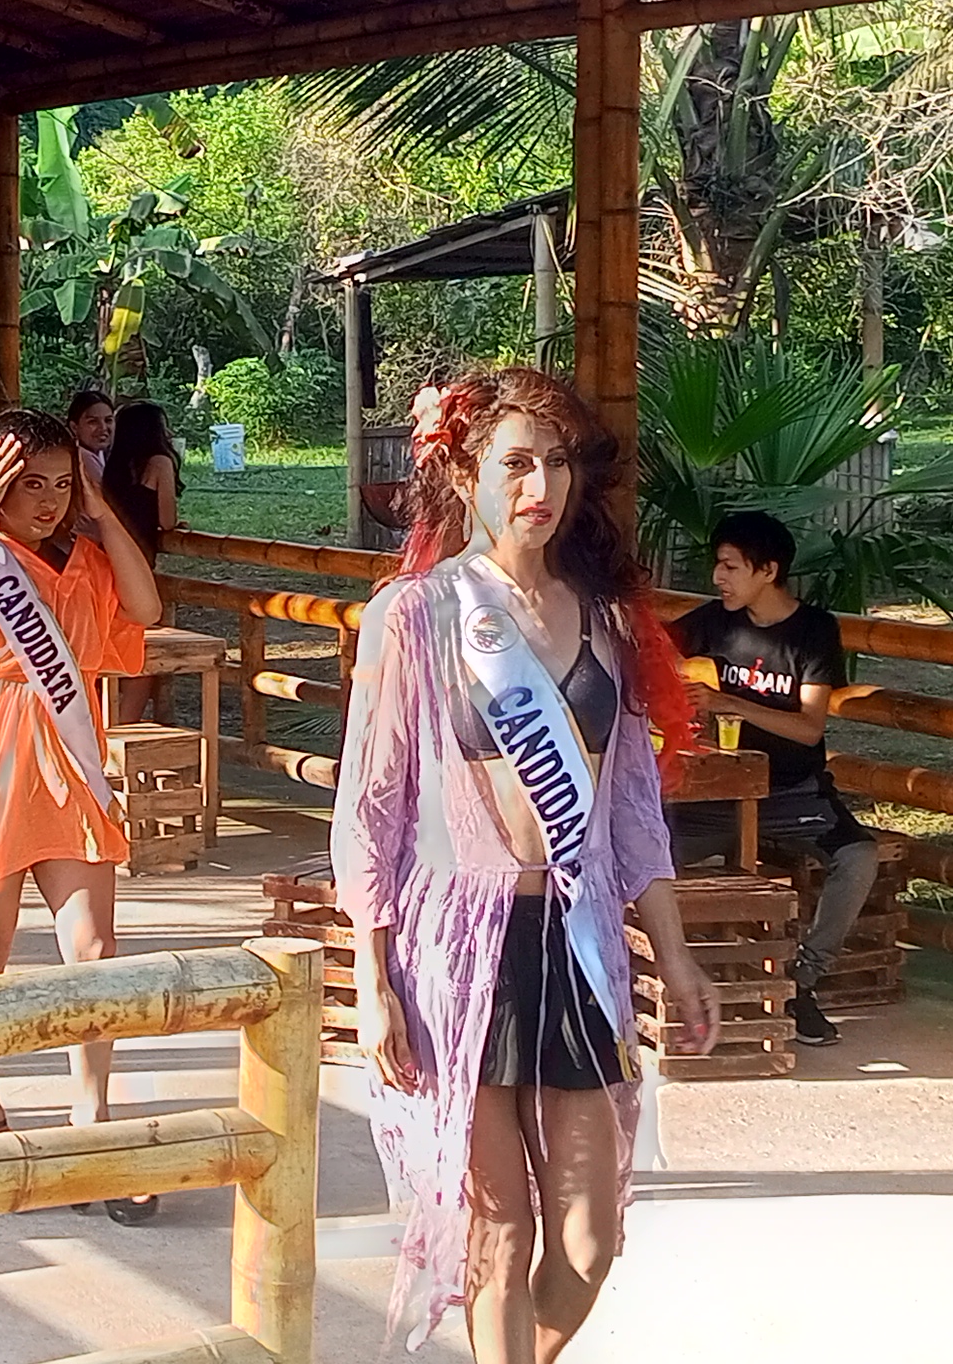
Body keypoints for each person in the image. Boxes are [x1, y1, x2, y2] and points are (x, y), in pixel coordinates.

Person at [336, 366, 717, 1363]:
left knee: (589, 1240)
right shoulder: (416, 616)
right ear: (464, 475)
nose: (540, 486)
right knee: (498, 1232)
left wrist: (675, 956)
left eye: (557, 462)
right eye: (515, 463)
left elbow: (631, 808)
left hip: (578, 940)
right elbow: (369, 806)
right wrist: (372, 981)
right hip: (459, 951)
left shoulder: (608, 620)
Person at [0, 407, 166, 1219]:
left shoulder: (85, 560)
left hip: (71, 762)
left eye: (61, 483)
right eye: (30, 484)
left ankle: (92, 1124)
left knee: (94, 951)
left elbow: (145, 610)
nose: (49, 500)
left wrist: (103, 511)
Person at [668, 511, 877, 1050]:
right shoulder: (714, 620)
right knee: (645, 855)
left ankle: (801, 982)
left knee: (859, 858)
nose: (718, 578)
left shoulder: (814, 631)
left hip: (793, 793)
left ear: (768, 570)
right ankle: (674, 980)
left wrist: (730, 702)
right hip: (719, 797)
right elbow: (649, 652)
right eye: (718, 565)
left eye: (729, 566)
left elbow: (809, 729)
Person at [98, 400, 182, 724]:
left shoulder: (113, 464)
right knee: (138, 656)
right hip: (138, 562)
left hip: (105, 559)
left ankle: (102, 724)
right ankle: (122, 727)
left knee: (105, 646)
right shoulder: (159, 462)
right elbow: (167, 519)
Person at [66, 388, 115, 487]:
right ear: (74, 427)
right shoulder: (79, 458)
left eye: (108, 420)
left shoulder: (102, 454)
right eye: (93, 422)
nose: (103, 428)